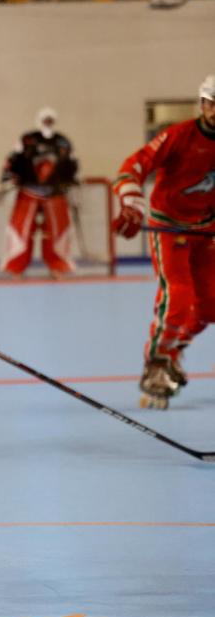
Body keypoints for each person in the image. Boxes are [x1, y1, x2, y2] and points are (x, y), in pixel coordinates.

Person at [111, 75, 215, 410]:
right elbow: (135, 164)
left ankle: (173, 350)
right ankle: (156, 362)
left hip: (207, 228)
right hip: (171, 227)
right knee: (178, 296)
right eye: (211, 103)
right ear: (202, 104)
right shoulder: (179, 135)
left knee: (211, 306)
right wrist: (131, 201)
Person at [0, 107, 80, 279]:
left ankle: (58, 266)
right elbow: (12, 159)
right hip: (28, 193)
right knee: (21, 230)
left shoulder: (63, 142)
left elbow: (73, 164)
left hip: (55, 194)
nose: (47, 122)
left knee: (58, 232)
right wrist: (6, 178)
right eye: (45, 119)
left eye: (50, 119)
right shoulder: (27, 139)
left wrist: (72, 181)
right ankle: (16, 268)